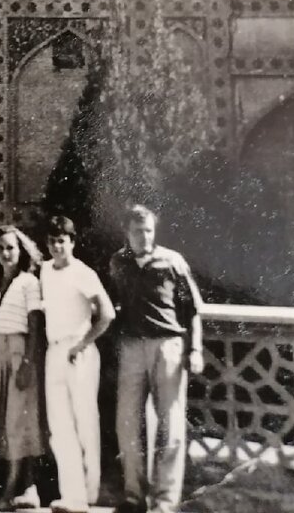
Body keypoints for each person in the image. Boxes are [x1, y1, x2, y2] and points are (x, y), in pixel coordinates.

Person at [108, 204, 204, 513]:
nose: (144, 236)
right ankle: (134, 496)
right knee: (127, 423)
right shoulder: (118, 262)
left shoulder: (172, 261)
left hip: (168, 347)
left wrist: (196, 349)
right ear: (127, 233)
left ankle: (165, 502)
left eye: (149, 230)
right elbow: (113, 304)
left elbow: (193, 312)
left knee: (171, 425)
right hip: (132, 347)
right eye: (138, 231)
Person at [40, 215, 115, 513]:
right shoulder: (45, 270)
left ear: (72, 242)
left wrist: (82, 343)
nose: (57, 246)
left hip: (78, 353)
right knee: (59, 426)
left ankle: (89, 493)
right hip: (54, 351)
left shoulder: (83, 272)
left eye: (62, 240)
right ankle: (71, 495)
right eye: (52, 241)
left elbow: (107, 313)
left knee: (85, 422)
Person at [0, 224, 44, 511]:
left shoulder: (28, 282)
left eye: (10, 247)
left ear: (20, 251)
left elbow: (34, 325)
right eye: (0, 248)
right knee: (0, 423)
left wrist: (28, 363)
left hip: (19, 354)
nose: (5, 253)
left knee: (18, 421)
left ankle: (14, 490)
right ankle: (23, 488)